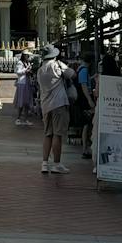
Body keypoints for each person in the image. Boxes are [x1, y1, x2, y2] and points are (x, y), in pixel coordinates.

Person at [36, 43, 70, 174]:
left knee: (47, 134)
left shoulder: (40, 70)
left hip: (45, 105)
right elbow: (72, 74)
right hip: (58, 104)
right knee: (57, 134)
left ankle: (44, 163)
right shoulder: (57, 66)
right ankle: (57, 163)